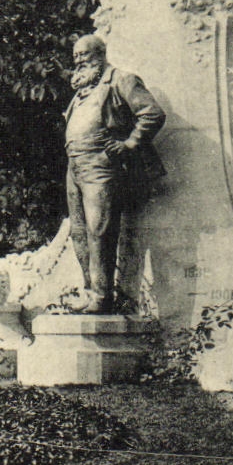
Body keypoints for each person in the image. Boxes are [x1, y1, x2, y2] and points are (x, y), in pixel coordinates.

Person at [63, 34, 166, 313]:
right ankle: (89, 293)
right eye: (76, 57)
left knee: (99, 230)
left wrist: (130, 143)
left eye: (85, 55)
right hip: (75, 166)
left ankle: (102, 297)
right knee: (79, 232)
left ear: (100, 54)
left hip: (102, 165)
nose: (79, 61)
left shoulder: (121, 80)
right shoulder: (82, 91)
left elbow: (152, 114)